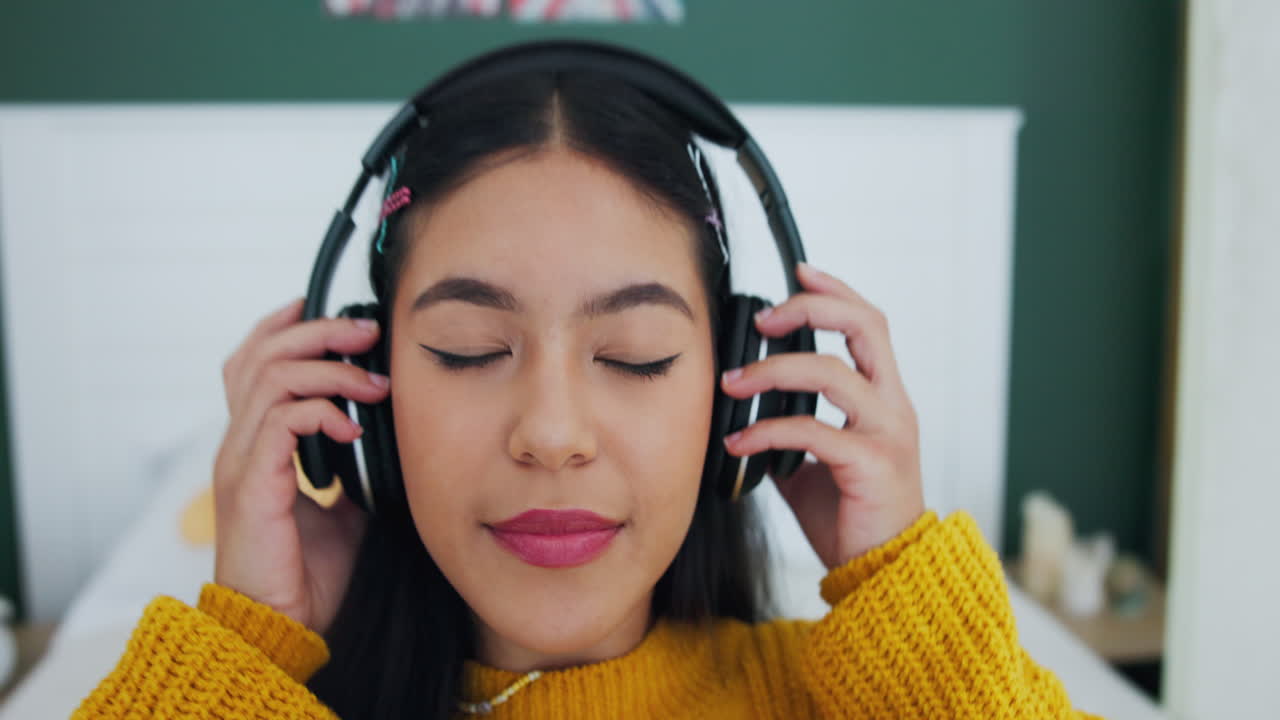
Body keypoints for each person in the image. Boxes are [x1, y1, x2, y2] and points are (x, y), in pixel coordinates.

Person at [72, 66, 1101, 719]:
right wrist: (244, 639)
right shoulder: (249, 704)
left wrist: (898, 590)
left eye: (637, 356)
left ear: (740, 402)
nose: (552, 435)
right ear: (366, 401)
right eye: (471, 350)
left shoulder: (866, 703)